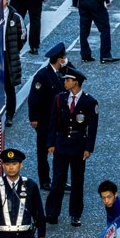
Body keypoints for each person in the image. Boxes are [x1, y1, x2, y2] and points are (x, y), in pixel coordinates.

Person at [44, 68, 99, 228]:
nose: (64, 82)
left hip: (78, 145)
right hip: (61, 144)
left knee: (77, 181)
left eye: (67, 80)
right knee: (58, 180)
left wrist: (88, 148)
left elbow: (92, 127)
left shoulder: (89, 102)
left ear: (76, 82)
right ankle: (52, 213)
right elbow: (53, 122)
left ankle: (75, 214)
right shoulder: (59, 98)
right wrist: (51, 143)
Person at [28, 42, 68, 189]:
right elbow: (33, 98)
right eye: (64, 57)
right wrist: (33, 118)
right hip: (45, 120)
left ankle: (60, 180)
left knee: (61, 151)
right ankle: (45, 180)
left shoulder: (63, 73)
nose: (66, 59)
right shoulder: (42, 76)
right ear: (59, 59)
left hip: (59, 120)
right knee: (43, 152)